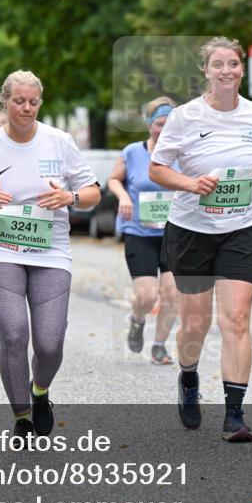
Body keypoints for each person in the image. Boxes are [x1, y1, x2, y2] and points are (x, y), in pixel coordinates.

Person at [0, 70, 100, 441]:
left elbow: (93, 191)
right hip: (2, 248)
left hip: (51, 250)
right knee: (15, 334)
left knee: (50, 343)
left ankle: (40, 392)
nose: (27, 108)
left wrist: (71, 197)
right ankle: (21, 418)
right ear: (5, 102)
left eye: (33, 101)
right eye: (19, 101)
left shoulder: (59, 142)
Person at [149, 37, 252, 443]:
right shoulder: (186, 116)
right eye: (218, 64)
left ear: (242, 69)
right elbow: (157, 169)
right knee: (195, 324)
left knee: (236, 319)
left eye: (234, 64)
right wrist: (190, 183)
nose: (227, 71)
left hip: (242, 228)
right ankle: (189, 378)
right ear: (205, 71)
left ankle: (234, 415)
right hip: (192, 232)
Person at [107, 96, 180, 364]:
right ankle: (137, 320)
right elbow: (114, 179)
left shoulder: (183, 153)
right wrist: (123, 196)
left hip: (175, 233)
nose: (164, 128)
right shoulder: (132, 152)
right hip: (140, 232)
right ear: (149, 124)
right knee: (147, 295)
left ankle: (159, 346)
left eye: (170, 123)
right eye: (160, 123)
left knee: (172, 293)